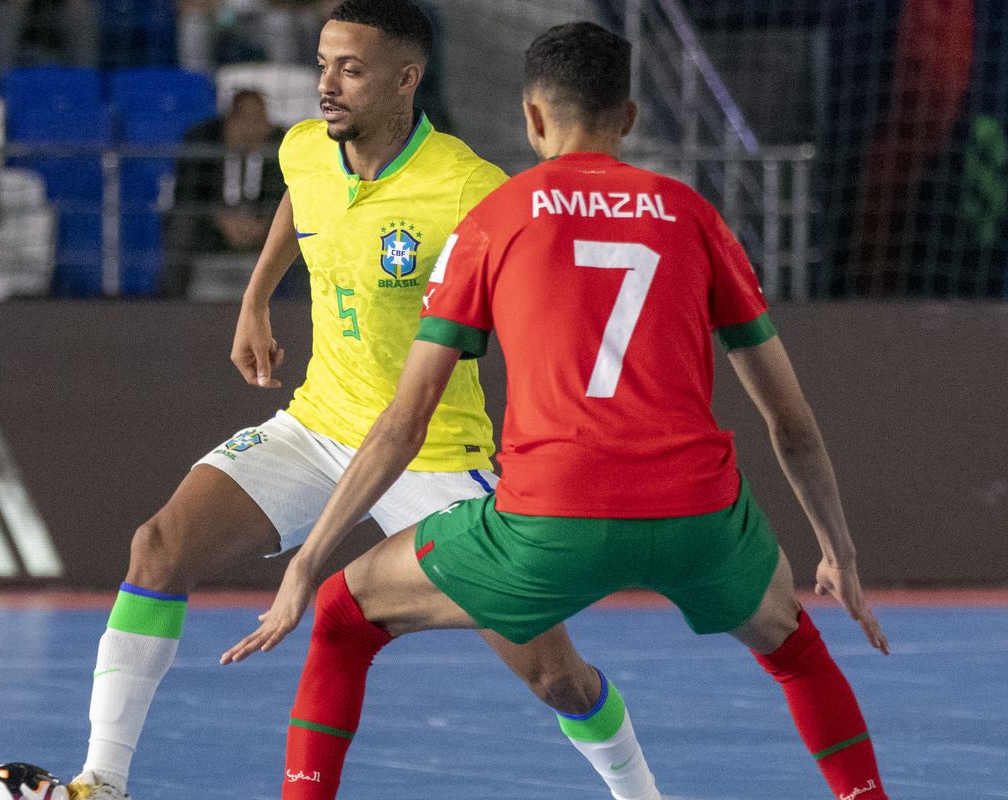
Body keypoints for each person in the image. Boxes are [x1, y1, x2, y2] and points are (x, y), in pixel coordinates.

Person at [223, 21, 893, 800]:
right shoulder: (692, 214)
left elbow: (404, 425)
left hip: (550, 521)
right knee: (796, 652)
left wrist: (307, 564)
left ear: (532, 119)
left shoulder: (496, 219)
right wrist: (836, 550)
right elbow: (792, 423)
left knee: (342, 619)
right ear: (631, 118)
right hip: (698, 518)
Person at [65, 3, 662, 800]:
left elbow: (546, 308)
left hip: (436, 458)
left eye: (350, 69)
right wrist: (256, 299)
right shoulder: (307, 147)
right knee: (158, 547)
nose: (326, 85)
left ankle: (642, 793)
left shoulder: (467, 188)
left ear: (406, 79)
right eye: (321, 65)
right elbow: (299, 201)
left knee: (554, 676)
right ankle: (100, 782)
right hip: (318, 427)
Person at [160, 88, 286, 298]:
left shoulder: (280, 143)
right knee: (181, 223)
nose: (253, 130)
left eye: (259, 121)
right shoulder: (201, 139)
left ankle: (302, 305)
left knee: (303, 227)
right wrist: (220, 219)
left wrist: (266, 222)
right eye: (246, 120)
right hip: (210, 230)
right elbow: (187, 194)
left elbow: (285, 193)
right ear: (230, 121)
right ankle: (172, 303)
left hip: (263, 228)